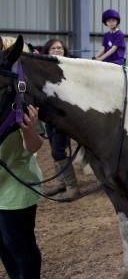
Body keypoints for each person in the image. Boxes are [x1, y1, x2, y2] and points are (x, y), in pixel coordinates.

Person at [0, 37, 45, 279]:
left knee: (20, 246)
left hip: (16, 187)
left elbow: (35, 146)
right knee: (3, 247)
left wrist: (28, 130)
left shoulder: (18, 93)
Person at [40, 39, 81, 200]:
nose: (57, 50)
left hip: (64, 115)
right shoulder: (43, 68)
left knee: (59, 150)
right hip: (49, 114)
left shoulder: (71, 67)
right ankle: (61, 182)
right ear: (47, 51)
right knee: (53, 149)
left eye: (59, 48)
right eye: (53, 48)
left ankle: (72, 187)